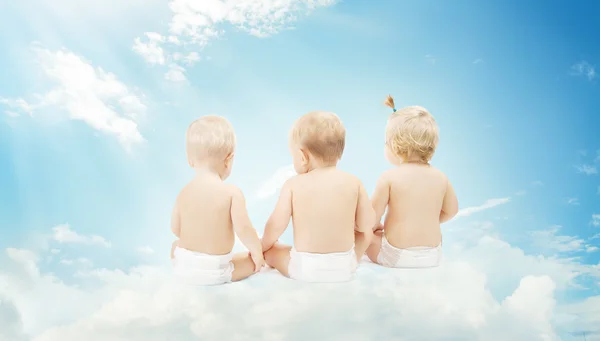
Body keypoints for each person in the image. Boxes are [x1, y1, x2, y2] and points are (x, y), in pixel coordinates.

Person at [261, 111, 375, 283]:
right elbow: (367, 225)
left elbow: (276, 225)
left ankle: (268, 254)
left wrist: (263, 246)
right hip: (345, 266)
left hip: (304, 268)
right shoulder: (354, 182)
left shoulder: (293, 185)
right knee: (365, 235)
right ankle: (346, 260)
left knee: (273, 251)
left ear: (302, 157)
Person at [366, 95, 458, 268]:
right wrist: (426, 219)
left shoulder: (389, 178)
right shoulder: (440, 177)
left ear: (395, 146)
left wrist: (374, 229)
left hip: (397, 256)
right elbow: (452, 211)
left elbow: (370, 220)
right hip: (433, 255)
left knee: (368, 238)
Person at [170, 115, 264, 285]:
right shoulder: (231, 193)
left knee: (176, 244)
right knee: (248, 260)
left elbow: (176, 229)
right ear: (229, 160)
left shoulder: (184, 192)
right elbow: (243, 228)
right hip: (215, 270)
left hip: (183, 266)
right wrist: (257, 252)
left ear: (190, 160)